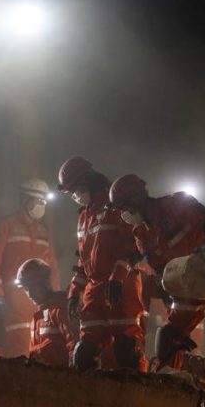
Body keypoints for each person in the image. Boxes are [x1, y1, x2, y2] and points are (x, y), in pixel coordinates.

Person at [108, 174, 205, 396]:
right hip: (185, 286)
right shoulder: (141, 234)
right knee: (168, 338)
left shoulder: (177, 203)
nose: (123, 215)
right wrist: (117, 278)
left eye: (124, 208)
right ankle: (169, 389)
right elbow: (151, 263)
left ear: (135, 200)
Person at [57, 157, 146, 372]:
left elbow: (134, 246)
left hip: (121, 286)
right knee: (84, 354)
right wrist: (73, 293)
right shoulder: (84, 216)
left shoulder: (117, 206)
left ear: (86, 182)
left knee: (127, 349)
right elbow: (83, 260)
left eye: (74, 191)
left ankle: (139, 398)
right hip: (94, 289)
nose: (74, 196)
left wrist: (116, 277)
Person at [0, 178, 59, 357]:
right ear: (26, 200)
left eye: (44, 202)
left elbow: (53, 269)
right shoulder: (6, 226)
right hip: (14, 300)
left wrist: (55, 297)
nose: (42, 206)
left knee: (42, 346)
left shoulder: (44, 232)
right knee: (19, 349)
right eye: (39, 201)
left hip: (41, 300)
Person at [16, 258, 76, 366]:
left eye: (33, 287)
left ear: (46, 282)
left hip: (63, 377)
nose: (30, 294)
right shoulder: (37, 318)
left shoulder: (60, 308)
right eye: (26, 289)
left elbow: (74, 343)